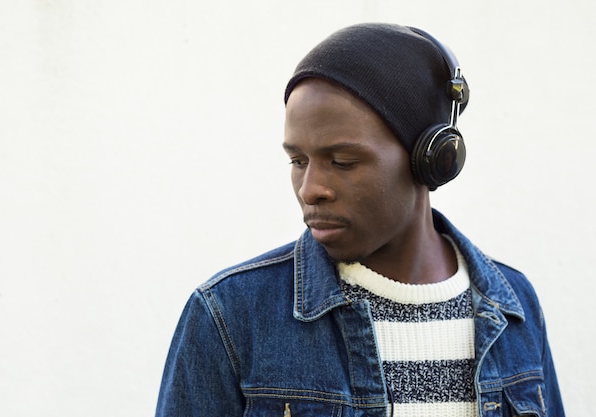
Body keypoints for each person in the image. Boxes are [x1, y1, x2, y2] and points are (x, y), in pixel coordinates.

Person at [155, 23, 565, 416]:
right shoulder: (228, 315)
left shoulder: (516, 306)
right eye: (298, 161)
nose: (310, 188)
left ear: (431, 160)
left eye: (342, 161)